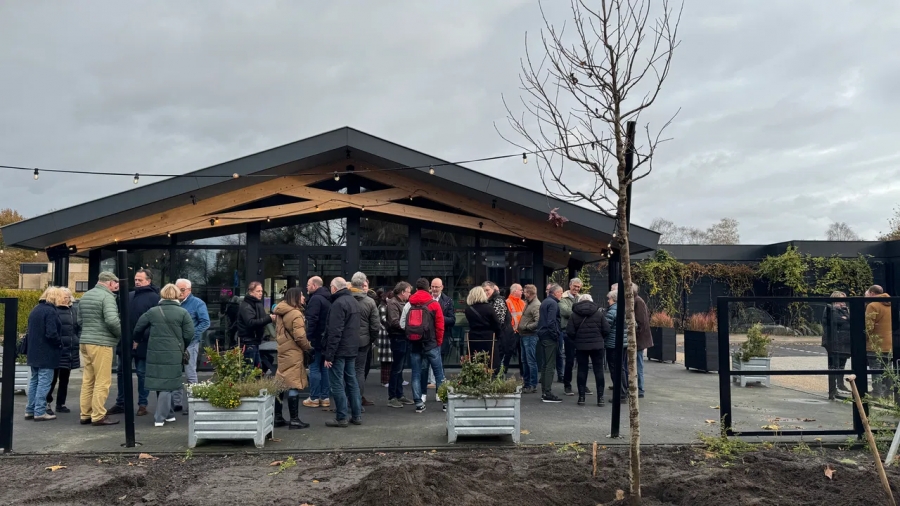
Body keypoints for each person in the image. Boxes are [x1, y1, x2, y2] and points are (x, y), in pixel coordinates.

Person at [134, 283, 195, 427]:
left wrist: (138, 340)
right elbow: (190, 333)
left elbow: (138, 327)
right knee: (169, 384)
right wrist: (182, 344)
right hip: (174, 352)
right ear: (176, 296)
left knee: (163, 383)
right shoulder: (183, 313)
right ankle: (160, 418)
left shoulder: (153, 311)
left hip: (155, 352)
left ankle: (169, 414)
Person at [109, 268, 158, 417]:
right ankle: (121, 402)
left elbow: (154, 323)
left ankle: (142, 404)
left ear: (148, 281)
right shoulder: (128, 296)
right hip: (125, 340)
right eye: (136, 279)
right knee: (122, 372)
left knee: (142, 373)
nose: (136, 282)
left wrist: (141, 338)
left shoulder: (154, 298)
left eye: (140, 280)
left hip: (143, 342)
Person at [78, 271, 122, 426]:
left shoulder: (86, 295)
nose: (117, 286)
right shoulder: (107, 297)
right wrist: (120, 334)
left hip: (85, 342)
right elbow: (112, 321)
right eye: (116, 283)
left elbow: (80, 320)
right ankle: (98, 416)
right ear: (109, 283)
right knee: (102, 381)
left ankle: (85, 414)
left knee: (88, 380)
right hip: (101, 343)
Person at [400, 278, 446, 413]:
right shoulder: (433, 304)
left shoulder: (409, 303)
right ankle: (444, 403)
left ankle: (419, 403)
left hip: (414, 344)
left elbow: (403, 324)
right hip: (431, 344)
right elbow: (440, 326)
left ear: (416, 288)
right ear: (428, 288)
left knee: (416, 373)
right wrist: (438, 342)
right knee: (439, 373)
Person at [323, 277, 362, 427]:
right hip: (352, 348)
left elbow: (335, 331)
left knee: (337, 383)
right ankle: (357, 415)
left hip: (339, 349)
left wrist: (329, 354)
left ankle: (341, 417)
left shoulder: (338, 304)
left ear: (334, 287)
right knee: (351, 381)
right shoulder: (353, 301)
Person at [273, 287, 313, 429]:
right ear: (295, 297)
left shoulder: (280, 312)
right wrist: (308, 347)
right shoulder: (296, 314)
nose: (304, 298)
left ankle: (277, 417)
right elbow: (300, 336)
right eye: (301, 295)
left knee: (281, 383)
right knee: (294, 383)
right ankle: (294, 419)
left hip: (283, 350)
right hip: (294, 352)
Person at [24, 287, 63, 421]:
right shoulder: (51, 312)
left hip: (33, 352)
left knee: (34, 381)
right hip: (47, 352)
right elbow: (51, 333)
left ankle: (30, 409)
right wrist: (59, 343)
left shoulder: (35, 309)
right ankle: (40, 411)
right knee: (44, 382)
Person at [174, 278, 210, 415]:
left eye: (182, 290)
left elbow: (205, 322)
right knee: (176, 373)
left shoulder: (197, 303)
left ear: (189, 290)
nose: (180, 293)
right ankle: (177, 403)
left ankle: (193, 402)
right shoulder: (174, 303)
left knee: (190, 374)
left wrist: (191, 335)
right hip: (176, 343)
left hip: (190, 344)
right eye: (178, 290)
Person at [566, 294, 610, 406]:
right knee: (599, 371)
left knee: (581, 370)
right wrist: (600, 339)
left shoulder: (574, 315)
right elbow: (606, 329)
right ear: (591, 301)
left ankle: (581, 398)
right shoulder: (599, 314)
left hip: (581, 346)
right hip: (597, 346)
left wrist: (577, 339)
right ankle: (600, 399)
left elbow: (570, 332)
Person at [47, 287, 80, 414]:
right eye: (65, 297)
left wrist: (77, 339)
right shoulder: (53, 310)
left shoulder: (73, 310)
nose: (67, 299)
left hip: (70, 350)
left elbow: (77, 327)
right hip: (57, 349)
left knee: (64, 379)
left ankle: (61, 404)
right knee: (52, 379)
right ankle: (47, 403)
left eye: (69, 297)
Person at [350, 272, 380, 407]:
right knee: (359, 371)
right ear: (363, 285)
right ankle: (357, 402)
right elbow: (375, 326)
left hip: (347, 342)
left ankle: (348, 402)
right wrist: (370, 340)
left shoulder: (345, 300)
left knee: (347, 371)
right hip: (363, 342)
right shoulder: (370, 302)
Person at [304, 276, 332, 408]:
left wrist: (308, 338)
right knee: (324, 368)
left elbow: (311, 320)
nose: (307, 287)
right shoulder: (328, 298)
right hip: (325, 339)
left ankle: (314, 398)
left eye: (308, 285)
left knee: (314, 367)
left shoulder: (315, 299)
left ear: (315, 286)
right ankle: (325, 397)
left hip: (316, 339)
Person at [386, 281, 413, 408]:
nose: (410, 294)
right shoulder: (393, 303)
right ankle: (392, 397)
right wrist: (409, 326)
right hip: (397, 337)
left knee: (400, 368)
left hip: (403, 337)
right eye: (408, 292)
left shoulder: (403, 303)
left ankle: (399, 394)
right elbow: (394, 322)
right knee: (396, 368)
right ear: (402, 292)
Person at [237, 281, 274, 367]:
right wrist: (269, 318)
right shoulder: (246, 306)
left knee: (257, 369)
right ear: (250, 292)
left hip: (255, 341)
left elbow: (260, 319)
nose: (260, 293)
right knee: (249, 371)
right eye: (258, 291)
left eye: (261, 291)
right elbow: (251, 322)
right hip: (248, 342)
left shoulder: (256, 304)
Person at [537, 284, 563, 403]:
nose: (561, 295)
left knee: (545, 363)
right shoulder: (553, 303)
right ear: (555, 293)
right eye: (561, 293)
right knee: (550, 365)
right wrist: (555, 334)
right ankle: (547, 392)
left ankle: (545, 391)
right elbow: (551, 321)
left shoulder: (545, 302)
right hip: (549, 336)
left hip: (543, 335)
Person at [865, 285, 892, 398]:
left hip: (876, 344)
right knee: (887, 369)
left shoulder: (873, 305)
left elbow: (868, 327)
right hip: (889, 343)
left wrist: (864, 338)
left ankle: (877, 393)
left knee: (875, 369)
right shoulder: (890, 303)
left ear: (871, 293)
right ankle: (889, 392)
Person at [822, 291, 850, 400]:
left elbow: (849, 320)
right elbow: (837, 320)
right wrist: (845, 318)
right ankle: (832, 390)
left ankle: (840, 384)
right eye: (841, 299)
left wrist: (845, 317)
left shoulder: (844, 310)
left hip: (843, 341)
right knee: (833, 365)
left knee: (842, 363)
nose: (844, 302)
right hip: (833, 341)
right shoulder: (830, 309)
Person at [483, 281, 513, 375]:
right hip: (496, 336)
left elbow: (498, 321)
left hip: (501, 336)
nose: (486, 292)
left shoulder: (498, 300)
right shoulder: (489, 300)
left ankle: (497, 381)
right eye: (484, 290)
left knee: (497, 362)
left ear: (493, 289)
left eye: (487, 290)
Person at [558, 278, 583, 396]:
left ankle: (583, 385)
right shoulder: (563, 299)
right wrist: (581, 312)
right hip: (568, 333)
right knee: (569, 360)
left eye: (578, 287)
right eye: (575, 286)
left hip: (581, 333)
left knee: (582, 361)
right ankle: (567, 385)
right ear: (570, 285)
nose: (576, 289)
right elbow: (566, 312)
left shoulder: (581, 298)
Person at [629, 282, 653, 399]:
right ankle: (637, 388)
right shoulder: (636, 300)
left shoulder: (637, 301)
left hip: (638, 340)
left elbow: (641, 322)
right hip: (638, 338)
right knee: (636, 364)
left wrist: (635, 335)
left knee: (638, 364)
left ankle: (640, 389)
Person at [464, 286, 501, 359]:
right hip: (488, 337)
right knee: (489, 361)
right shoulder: (489, 308)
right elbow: (496, 323)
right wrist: (498, 335)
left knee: (474, 360)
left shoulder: (468, 310)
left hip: (473, 337)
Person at [517, 284, 541, 394]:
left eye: (525, 292)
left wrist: (527, 327)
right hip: (524, 335)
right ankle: (527, 383)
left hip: (530, 336)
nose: (523, 293)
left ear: (529, 293)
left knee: (530, 360)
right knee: (525, 360)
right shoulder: (529, 303)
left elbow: (538, 321)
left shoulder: (535, 305)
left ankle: (532, 384)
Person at [431, 278, 455, 385]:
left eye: (437, 287)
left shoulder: (448, 300)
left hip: (442, 335)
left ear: (442, 287)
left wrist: (439, 318)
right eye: (433, 287)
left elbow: (452, 320)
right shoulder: (426, 299)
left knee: (440, 360)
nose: (435, 289)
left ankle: (439, 383)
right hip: (428, 335)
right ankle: (430, 381)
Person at [605, 290, 627, 402]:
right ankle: (624, 391)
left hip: (613, 344)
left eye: (609, 299)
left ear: (613, 299)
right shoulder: (626, 310)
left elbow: (606, 328)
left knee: (615, 369)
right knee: (621, 367)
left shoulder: (612, 311)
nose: (608, 301)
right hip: (624, 343)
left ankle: (621, 394)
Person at [506, 283, 526, 375]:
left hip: (522, 332)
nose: (522, 292)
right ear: (515, 291)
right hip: (512, 333)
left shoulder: (523, 302)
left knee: (522, 355)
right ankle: (503, 372)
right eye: (521, 290)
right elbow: (507, 319)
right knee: (508, 353)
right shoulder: (507, 302)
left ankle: (523, 374)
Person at [376, 289, 393, 387]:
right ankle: (385, 380)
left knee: (388, 360)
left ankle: (387, 379)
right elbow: (383, 321)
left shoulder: (385, 306)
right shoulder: (383, 307)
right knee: (386, 361)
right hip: (385, 336)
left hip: (386, 335)